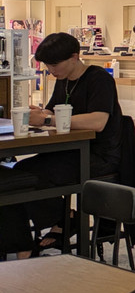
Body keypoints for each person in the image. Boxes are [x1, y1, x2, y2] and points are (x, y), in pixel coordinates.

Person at [10, 32, 124, 254]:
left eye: (54, 64)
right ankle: (62, 218)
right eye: (47, 65)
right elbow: (52, 111)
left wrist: (47, 120)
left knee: (30, 176)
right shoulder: (63, 81)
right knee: (19, 173)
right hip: (69, 151)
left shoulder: (99, 79)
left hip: (97, 155)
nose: (51, 70)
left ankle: (64, 219)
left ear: (74, 57)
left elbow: (98, 121)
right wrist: (39, 114)